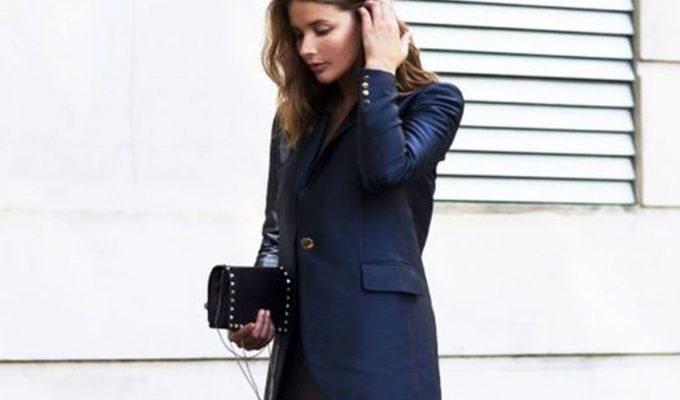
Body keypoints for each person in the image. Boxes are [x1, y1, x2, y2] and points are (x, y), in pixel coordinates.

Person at [216, 0, 464, 399]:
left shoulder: (432, 103)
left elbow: (385, 171)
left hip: (378, 350)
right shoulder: (296, 119)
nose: (306, 49)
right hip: (299, 356)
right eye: (298, 35)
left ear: (369, 22)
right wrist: (258, 308)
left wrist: (378, 71)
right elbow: (277, 232)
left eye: (322, 30)